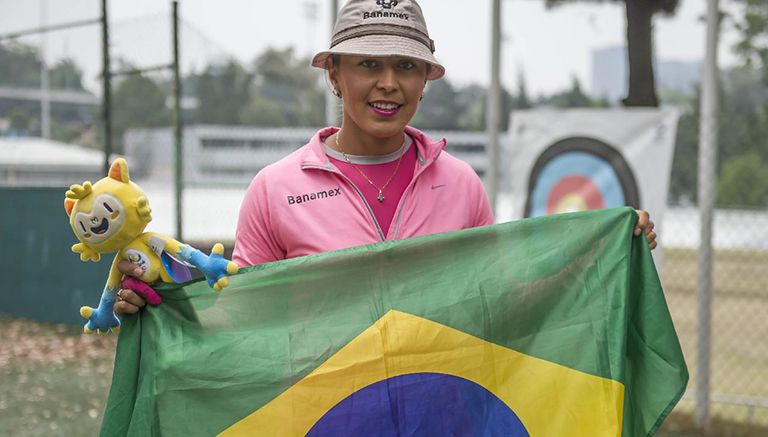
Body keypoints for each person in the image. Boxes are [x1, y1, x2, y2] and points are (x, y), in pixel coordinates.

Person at [114, 0, 656, 314]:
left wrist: (606, 246)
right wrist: (158, 306)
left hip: (440, 407)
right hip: (323, 411)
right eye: (368, 64)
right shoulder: (275, 187)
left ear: (426, 81)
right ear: (334, 74)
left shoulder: (462, 184)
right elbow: (248, 313)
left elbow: (500, 299)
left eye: (407, 66)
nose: (389, 84)